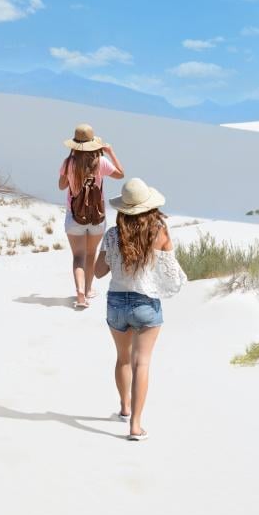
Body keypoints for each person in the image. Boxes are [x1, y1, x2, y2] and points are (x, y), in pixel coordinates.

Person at [94, 178, 185, 441]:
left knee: (123, 359)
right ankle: (135, 425)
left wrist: (111, 256)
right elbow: (171, 272)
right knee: (141, 363)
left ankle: (123, 408)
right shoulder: (159, 232)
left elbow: (99, 272)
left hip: (116, 303)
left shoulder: (113, 234)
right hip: (145, 304)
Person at [58, 124, 125, 308]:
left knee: (78, 256)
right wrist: (110, 152)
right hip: (97, 217)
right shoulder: (101, 162)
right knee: (90, 254)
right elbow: (121, 174)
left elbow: (62, 186)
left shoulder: (68, 163)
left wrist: (70, 173)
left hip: (74, 217)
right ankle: (88, 290)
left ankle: (80, 292)